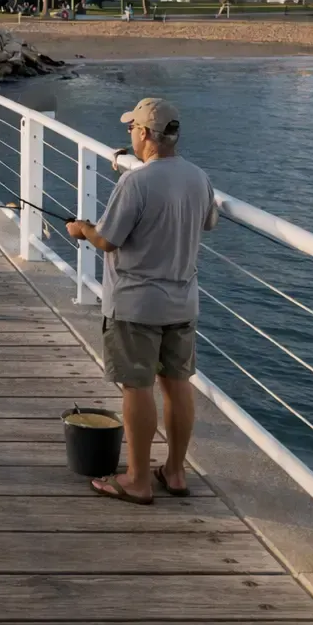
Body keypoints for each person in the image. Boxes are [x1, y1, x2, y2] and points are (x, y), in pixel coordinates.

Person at [66, 98, 217, 506]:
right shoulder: (199, 178)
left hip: (136, 304)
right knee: (177, 384)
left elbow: (108, 240)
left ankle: (136, 479)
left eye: (132, 128)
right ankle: (175, 471)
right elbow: (209, 221)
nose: (129, 134)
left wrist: (82, 230)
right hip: (183, 301)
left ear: (146, 134)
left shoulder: (136, 183)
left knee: (137, 387)